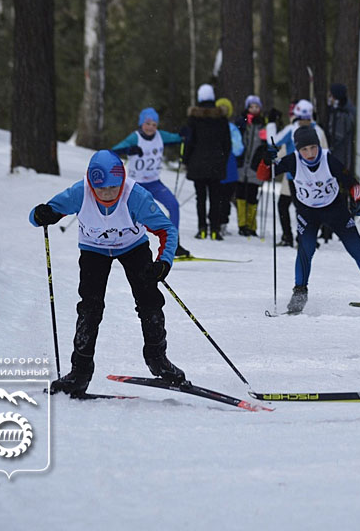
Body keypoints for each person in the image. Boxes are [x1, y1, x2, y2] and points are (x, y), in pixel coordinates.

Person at [29, 150, 187, 396]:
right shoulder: (80, 192)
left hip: (133, 247)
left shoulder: (136, 196)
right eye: (100, 189)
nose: (107, 194)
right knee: (90, 308)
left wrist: (164, 262)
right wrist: (42, 215)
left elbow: (167, 229)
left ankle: (158, 359)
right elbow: (40, 215)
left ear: (122, 181)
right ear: (91, 184)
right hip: (94, 250)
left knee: (149, 300)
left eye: (113, 188)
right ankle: (79, 372)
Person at [257, 125, 360, 314]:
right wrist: (266, 161)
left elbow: (353, 184)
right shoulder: (292, 161)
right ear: (298, 150)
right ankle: (299, 292)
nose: (309, 153)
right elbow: (263, 175)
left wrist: (359, 201)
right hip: (308, 213)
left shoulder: (329, 160)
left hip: (335, 210)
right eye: (304, 149)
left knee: (356, 247)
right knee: (305, 250)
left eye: (313, 147)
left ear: (318, 145)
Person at [111, 107, 190, 257]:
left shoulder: (160, 136)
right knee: (128, 213)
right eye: (147, 123)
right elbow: (113, 152)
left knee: (174, 205)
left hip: (154, 183)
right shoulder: (135, 137)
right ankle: (117, 243)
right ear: (141, 123)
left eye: (154, 125)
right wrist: (130, 150)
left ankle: (174, 245)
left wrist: (184, 134)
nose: (150, 128)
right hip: (136, 185)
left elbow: (178, 138)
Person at [272, 99, 329, 247]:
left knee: (302, 208)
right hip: (297, 175)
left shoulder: (299, 129)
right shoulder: (305, 129)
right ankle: (293, 237)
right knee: (292, 206)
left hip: (302, 175)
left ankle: (302, 238)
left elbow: (324, 152)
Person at [181, 84, 232, 241]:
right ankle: (215, 229)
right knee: (216, 197)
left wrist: (185, 160)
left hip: (198, 164)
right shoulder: (221, 119)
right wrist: (223, 159)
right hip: (216, 164)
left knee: (201, 197)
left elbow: (189, 141)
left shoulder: (194, 119)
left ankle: (202, 228)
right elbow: (227, 143)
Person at [235, 95, 267, 236]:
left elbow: (266, 143)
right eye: (251, 106)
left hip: (255, 164)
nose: (254, 109)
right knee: (241, 194)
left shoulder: (262, 124)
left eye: (256, 107)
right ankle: (242, 224)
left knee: (252, 196)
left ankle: (252, 225)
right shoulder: (242, 122)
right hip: (242, 164)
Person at [215, 97, 245, 235]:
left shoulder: (231, 128)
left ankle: (222, 224)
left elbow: (239, 149)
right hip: (217, 167)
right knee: (218, 197)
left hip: (229, 168)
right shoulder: (212, 127)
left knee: (225, 198)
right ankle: (216, 223)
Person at [326, 83, 357, 172]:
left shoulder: (343, 115)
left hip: (340, 158)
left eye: (331, 96)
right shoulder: (339, 112)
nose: (329, 98)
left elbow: (337, 136)